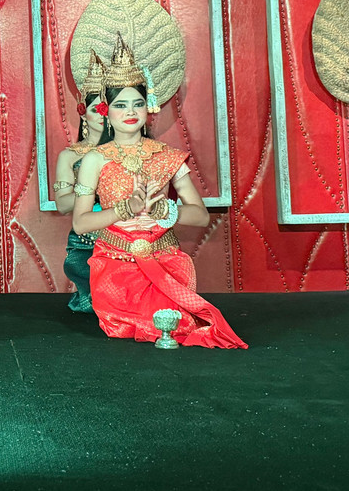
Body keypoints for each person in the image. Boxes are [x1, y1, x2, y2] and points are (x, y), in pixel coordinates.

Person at [72, 38, 246, 349]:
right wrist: (125, 209)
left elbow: (200, 216)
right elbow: (80, 223)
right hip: (116, 270)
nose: (130, 112)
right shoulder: (95, 160)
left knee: (175, 324)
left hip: (166, 264)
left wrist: (163, 210)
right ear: (105, 111)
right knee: (130, 326)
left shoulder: (167, 156)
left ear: (148, 107)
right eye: (120, 105)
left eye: (137, 103)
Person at [52, 51, 107, 313]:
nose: (103, 115)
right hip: (87, 242)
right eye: (96, 109)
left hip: (127, 238)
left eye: (109, 108)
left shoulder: (129, 151)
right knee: (93, 303)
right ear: (83, 114)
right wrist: (93, 191)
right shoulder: (70, 156)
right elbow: (63, 205)